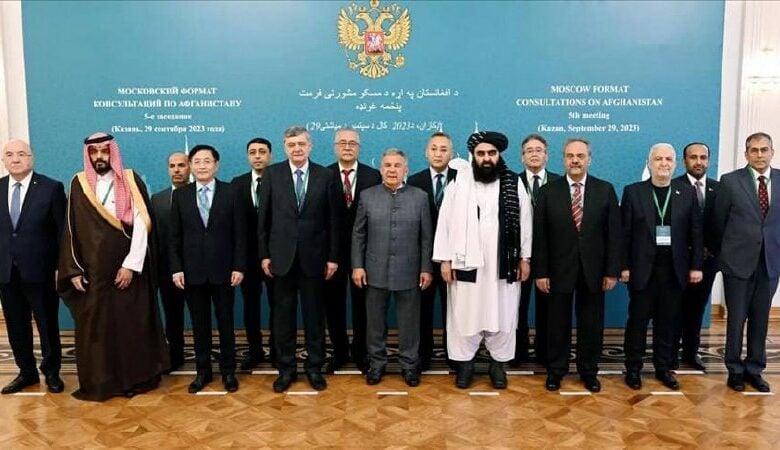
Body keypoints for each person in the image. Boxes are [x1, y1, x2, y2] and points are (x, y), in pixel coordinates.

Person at [58, 132, 169, 401]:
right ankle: (101, 382)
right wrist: (73, 269)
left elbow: (142, 224)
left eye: (104, 151)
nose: (99, 157)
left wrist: (131, 265)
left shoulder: (130, 179)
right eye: (94, 152)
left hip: (128, 269)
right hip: (93, 272)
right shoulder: (79, 183)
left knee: (130, 325)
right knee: (98, 329)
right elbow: (70, 229)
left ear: (112, 153)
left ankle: (135, 379)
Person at [433, 131, 533, 390]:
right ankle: (465, 365)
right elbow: (445, 222)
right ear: (473, 156)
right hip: (466, 264)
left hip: (503, 263)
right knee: (464, 314)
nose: (486, 158)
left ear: (499, 155)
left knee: (503, 312)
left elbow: (525, 222)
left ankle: (498, 365)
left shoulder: (513, 182)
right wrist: (444, 260)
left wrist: (524, 257)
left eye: (491, 153)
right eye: (481, 154)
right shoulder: (459, 183)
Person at [533, 137, 621, 393]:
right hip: (558, 270)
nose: (575, 160)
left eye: (580, 156)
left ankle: (589, 372)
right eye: (570, 156)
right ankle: (556, 371)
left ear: (589, 159)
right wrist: (541, 271)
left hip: (594, 271)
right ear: (563, 159)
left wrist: (611, 271)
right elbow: (540, 236)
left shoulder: (605, 190)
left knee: (591, 325)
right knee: (556, 324)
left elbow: (614, 235)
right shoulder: (548, 191)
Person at [257, 126, 341, 392]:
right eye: (292, 145)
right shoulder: (272, 174)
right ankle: (286, 369)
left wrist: (333, 258)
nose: (297, 149)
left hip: (315, 259)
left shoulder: (326, 175)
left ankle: (314, 367)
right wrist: (264, 255)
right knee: (283, 318)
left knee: (315, 318)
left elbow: (334, 221)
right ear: (285, 147)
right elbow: (263, 219)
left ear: (310, 146)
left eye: (301, 144)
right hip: (281, 258)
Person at [620, 143, 703, 391]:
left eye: (668, 159)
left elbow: (696, 233)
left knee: (668, 323)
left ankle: (663, 368)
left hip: (674, 271)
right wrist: (624, 266)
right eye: (658, 159)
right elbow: (624, 233)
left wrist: (696, 266)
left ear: (675, 164)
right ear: (649, 163)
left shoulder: (686, 192)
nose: (663, 163)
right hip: (642, 270)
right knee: (637, 322)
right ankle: (633, 368)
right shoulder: (633, 192)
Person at [352, 149, 432, 386]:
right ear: (381, 169)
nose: (392, 170)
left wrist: (426, 268)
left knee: (409, 324)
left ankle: (409, 365)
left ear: (406, 169)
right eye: (387, 165)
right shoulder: (367, 196)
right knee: (375, 324)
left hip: (410, 271)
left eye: (397, 165)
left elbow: (426, 237)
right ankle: (376, 364)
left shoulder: (420, 197)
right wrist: (357, 266)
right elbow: (358, 235)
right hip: (374, 271)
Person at [170, 144, 246, 393]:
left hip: (224, 271)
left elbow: (240, 234)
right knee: (199, 324)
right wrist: (177, 268)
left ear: (216, 164)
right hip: (192, 272)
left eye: (207, 161)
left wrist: (239, 266)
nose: (202, 166)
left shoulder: (231, 192)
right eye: (197, 161)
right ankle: (203, 372)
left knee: (226, 323)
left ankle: (228, 372)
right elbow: (174, 237)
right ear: (191, 166)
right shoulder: (181, 196)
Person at [714, 132, 780, 393]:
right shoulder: (730, 181)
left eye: (764, 150)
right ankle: (734, 370)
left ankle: (754, 369)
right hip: (737, 263)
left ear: (772, 152)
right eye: (754, 150)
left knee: (761, 319)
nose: (759, 155)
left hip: (770, 262)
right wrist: (725, 256)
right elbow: (717, 222)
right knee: (736, 319)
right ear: (746, 154)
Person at [0, 139, 65, 394]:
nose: (15, 159)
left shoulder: (51, 188)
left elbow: (62, 232)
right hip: (6, 272)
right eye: (9, 155)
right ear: (3, 160)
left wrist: (61, 267)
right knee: (16, 325)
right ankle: (26, 373)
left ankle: (52, 373)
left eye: (21, 154)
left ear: (31, 157)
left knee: (47, 325)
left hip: (41, 271)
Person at [324, 127, 381, 373]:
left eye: (352, 143)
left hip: (366, 253)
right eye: (342, 142)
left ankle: (360, 353)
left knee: (363, 306)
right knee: (333, 304)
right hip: (332, 254)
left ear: (359, 147)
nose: (347, 147)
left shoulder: (373, 175)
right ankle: (338, 352)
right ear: (335, 147)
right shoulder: (323, 175)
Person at [407, 131, 457, 372]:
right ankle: (422, 355)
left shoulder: (463, 180)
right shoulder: (414, 181)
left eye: (443, 149)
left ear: (452, 154)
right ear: (426, 153)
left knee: (454, 310)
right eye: (434, 149)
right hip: (423, 258)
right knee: (422, 310)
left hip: (455, 258)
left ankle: (455, 354)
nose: (438, 154)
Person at [514, 133, 560, 366]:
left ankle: (545, 353)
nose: (534, 154)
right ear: (522, 157)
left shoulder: (560, 183)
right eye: (529, 150)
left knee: (548, 307)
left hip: (551, 255)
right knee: (516, 306)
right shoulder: (511, 183)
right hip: (518, 256)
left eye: (539, 150)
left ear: (546, 156)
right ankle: (517, 352)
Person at [674, 142, 720, 371]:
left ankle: (691, 353)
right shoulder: (673, 186)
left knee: (697, 308)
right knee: (674, 308)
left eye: (703, 157)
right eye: (693, 157)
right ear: (685, 161)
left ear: (708, 161)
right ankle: (670, 353)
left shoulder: (718, 189)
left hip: (708, 262)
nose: (698, 162)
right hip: (678, 261)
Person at [231, 137, 275, 370]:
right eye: (253, 152)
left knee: (278, 305)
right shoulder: (237, 184)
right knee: (251, 306)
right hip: (247, 258)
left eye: (262, 151)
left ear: (270, 155)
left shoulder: (280, 180)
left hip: (276, 256)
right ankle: (255, 350)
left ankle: (277, 349)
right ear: (248, 156)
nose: (257, 156)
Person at [151, 151, 190, 373]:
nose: (176, 169)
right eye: (172, 166)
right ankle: (175, 356)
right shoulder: (157, 200)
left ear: (189, 167)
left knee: (201, 316)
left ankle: (204, 357)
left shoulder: (202, 195)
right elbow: (154, 238)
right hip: (168, 270)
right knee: (173, 317)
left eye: (181, 165)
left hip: (198, 269)